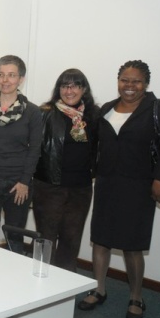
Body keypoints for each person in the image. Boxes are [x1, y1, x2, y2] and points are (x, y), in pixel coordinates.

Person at [77, 60, 160, 318]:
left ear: (145, 83)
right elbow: (96, 145)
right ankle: (99, 289)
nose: (129, 86)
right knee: (100, 240)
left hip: (139, 187)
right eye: (125, 80)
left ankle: (136, 297)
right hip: (107, 183)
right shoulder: (106, 109)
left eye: (136, 81)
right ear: (118, 81)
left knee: (132, 245)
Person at [32, 69, 100, 273]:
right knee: (46, 238)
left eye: (75, 85)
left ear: (84, 89)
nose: (69, 90)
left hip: (81, 189)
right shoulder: (45, 113)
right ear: (58, 89)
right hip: (48, 187)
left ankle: (64, 288)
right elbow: (33, 148)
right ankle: (41, 283)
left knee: (72, 239)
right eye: (64, 86)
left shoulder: (94, 115)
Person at [0, 55, 42, 252]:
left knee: (15, 236)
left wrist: (24, 181)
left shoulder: (32, 112)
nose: (5, 80)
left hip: (18, 183)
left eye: (11, 75)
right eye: (1, 75)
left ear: (21, 79)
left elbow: (35, 149)